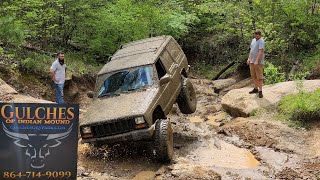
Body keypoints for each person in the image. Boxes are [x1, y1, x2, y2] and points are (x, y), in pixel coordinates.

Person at [247, 29, 265, 98]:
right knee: (253, 76)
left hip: (258, 63)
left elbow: (260, 51)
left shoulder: (261, 41)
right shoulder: (253, 40)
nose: (257, 36)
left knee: (259, 77)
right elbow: (251, 50)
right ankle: (255, 88)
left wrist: (257, 61)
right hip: (252, 61)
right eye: (256, 34)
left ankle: (260, 91)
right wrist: (249, 58)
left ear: (260, 35)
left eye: (258, 34)